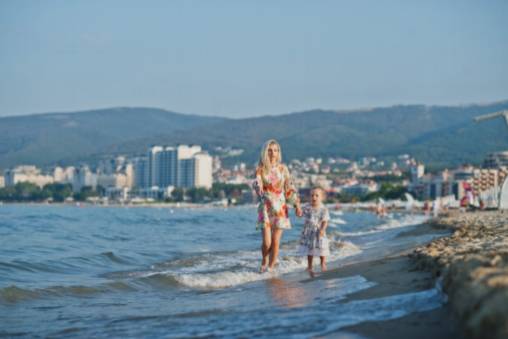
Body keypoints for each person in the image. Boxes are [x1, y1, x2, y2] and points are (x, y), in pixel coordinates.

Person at [254, 139, 302, 273]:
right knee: (267, 243)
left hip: (280, 208)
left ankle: (270, 268)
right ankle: (264, 258)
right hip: (265, 208)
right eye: (270, 150)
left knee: (275, 242)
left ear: (278, 152)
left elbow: (289, 188)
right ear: (265, 152)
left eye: (275, 150)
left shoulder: (283, 169)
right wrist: (258, 188)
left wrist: (297, 205)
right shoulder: (260, 169)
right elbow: (257, 183)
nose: (273, 153)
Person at [298, 187, 330, 277]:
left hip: (319, 231)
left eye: (317, 195)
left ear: (322, 198)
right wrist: (297, 206)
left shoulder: (324, 209)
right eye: (312, 195)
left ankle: (323, 263)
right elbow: (299, 214)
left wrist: (323, 229)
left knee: (322, 248)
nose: (314, 197)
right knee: (310, 250)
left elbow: (325, 221)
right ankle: (309, 266)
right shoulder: (307, 207)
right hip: (308, 232)